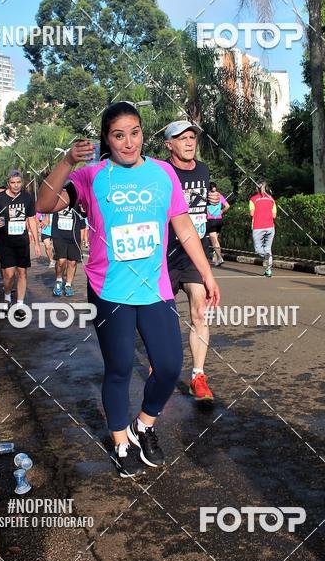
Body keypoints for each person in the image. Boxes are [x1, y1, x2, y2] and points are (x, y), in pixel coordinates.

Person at [37, 102, 220, 478]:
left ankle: (144, 425)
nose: (128, 142)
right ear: (107, 139)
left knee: (169, 366)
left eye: (134, 132)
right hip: (110, 291)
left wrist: (208, 274)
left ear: (142, 133)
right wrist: (68, 161)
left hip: (155, 288)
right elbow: (43, 203)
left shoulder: (162, 173)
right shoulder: (92, 176)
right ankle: (121, 441)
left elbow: (184, 227)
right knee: (119, 369)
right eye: (119, 135)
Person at [164, 120, 220, 402]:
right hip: (164, 255)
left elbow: (204, 212)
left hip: (195, 254)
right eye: (182, 138)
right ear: (169, 145)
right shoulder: (161, 172)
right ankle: (160, 362)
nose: (189, 142)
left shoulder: (203, 170)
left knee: (200, 312)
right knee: (162, 317)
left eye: (192, 138)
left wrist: (213, 201)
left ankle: (198, 376)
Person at [0, 169, 41, 318]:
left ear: (21, 182)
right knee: (10, 274)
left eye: (18, 182)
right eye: (13, 183)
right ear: (8, 183)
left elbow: (31, 219)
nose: (16, 185)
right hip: (5, 242)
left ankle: (19, 305)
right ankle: (6, 298)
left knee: (22, 272)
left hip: (22, 241)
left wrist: (36, 243)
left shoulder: (27, 198)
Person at [50, 204, 83, 297]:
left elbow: (83, 214)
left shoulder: (78, 195)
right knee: (61, 261)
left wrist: (84, 234)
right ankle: (59, 281)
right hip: (59, 234)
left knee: (72, 262)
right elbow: (48, 206)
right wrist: (47, 217)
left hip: (74, 234)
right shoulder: (57, 194)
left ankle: (68, 285)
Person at [249, 181, 277, 277]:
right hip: (270, 226)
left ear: (257, 189)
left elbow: (252, 214)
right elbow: (274, 215)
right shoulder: (271, 199)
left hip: (258, 227)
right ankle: (268, 271)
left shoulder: (253, 199)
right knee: (268, 249)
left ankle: (266, 257)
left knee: (258, 249)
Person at [206, 182, 230, 266]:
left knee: (214, 241)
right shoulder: (219, 195)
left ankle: (219, 258)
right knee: (216, 240)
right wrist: (222, 211)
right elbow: (227, 206)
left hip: (211, 220)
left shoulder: (207, 196)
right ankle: (216, 258)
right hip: (219, 220)